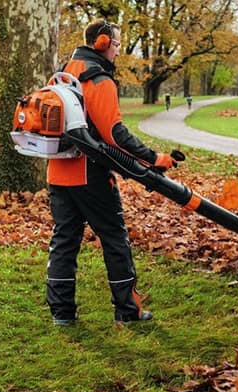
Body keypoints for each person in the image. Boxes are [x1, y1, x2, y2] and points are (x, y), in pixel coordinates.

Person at [46, 19, 177, 326]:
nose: (118, 51)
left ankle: (61, 313)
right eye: (117, 44)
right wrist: (153, 158)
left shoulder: (62, 75)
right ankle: (128, 311)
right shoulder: (99, 81)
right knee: (115, 239)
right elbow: (115, 135)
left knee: (64, 240)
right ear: (103, 43)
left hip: (57, 171)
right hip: (89, 173)